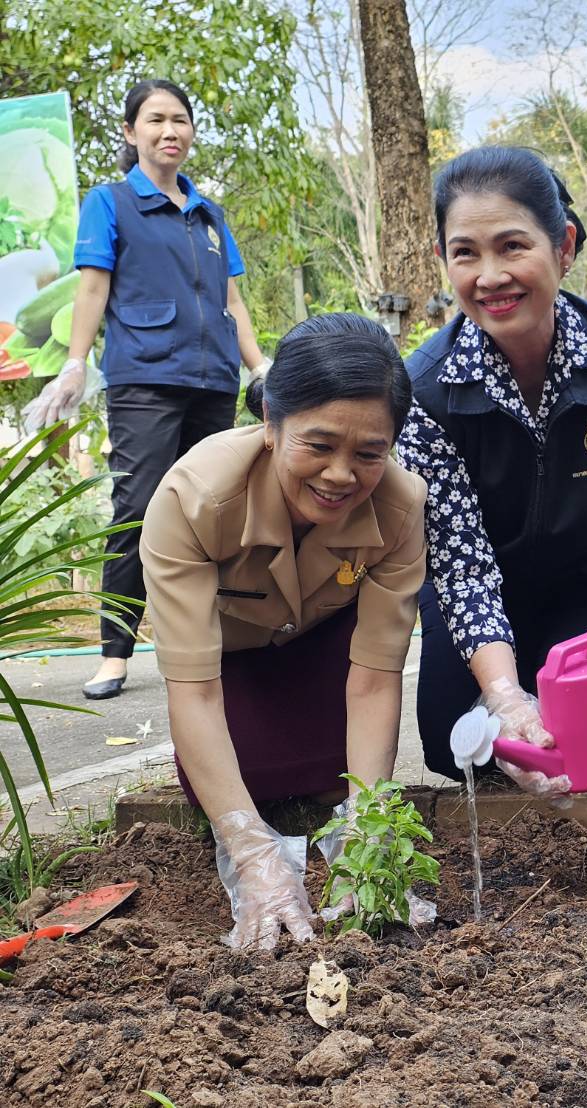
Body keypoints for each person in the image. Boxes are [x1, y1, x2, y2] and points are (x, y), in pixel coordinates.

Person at [396, 146, 587, 793]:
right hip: (486, 595)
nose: (490, 276)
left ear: (563, 245)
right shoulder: (424, 393)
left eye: (513, 246)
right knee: (455, 740)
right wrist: (504, 697)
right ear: (443, 261)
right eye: (466, 253)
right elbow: (461, 567)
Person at [140, 312, 426, 950]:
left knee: (336, 780)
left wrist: (371, 830)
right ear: (270, 422)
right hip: (231, 665)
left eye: (369, 453)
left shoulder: (404, 507)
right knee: (241, 788)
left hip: (326, 653)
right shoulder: (193, 497)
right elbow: (194, 690)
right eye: (318, 445)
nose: (340, 476)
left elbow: (376, 679)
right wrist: (248, 849)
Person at [32, 78, 271, 701]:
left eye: (181, 120)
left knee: (216, 511)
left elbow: (232, 300)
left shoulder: (210, 215)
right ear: (132, 131)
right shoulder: (110, 202)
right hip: (145, 378)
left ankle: (222, 641)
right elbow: (91, 288)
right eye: (157, 119)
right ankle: (115, 652)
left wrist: (258, 366)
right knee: (138, 508)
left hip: (213, 380)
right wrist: (76, 362)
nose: (171, 130)